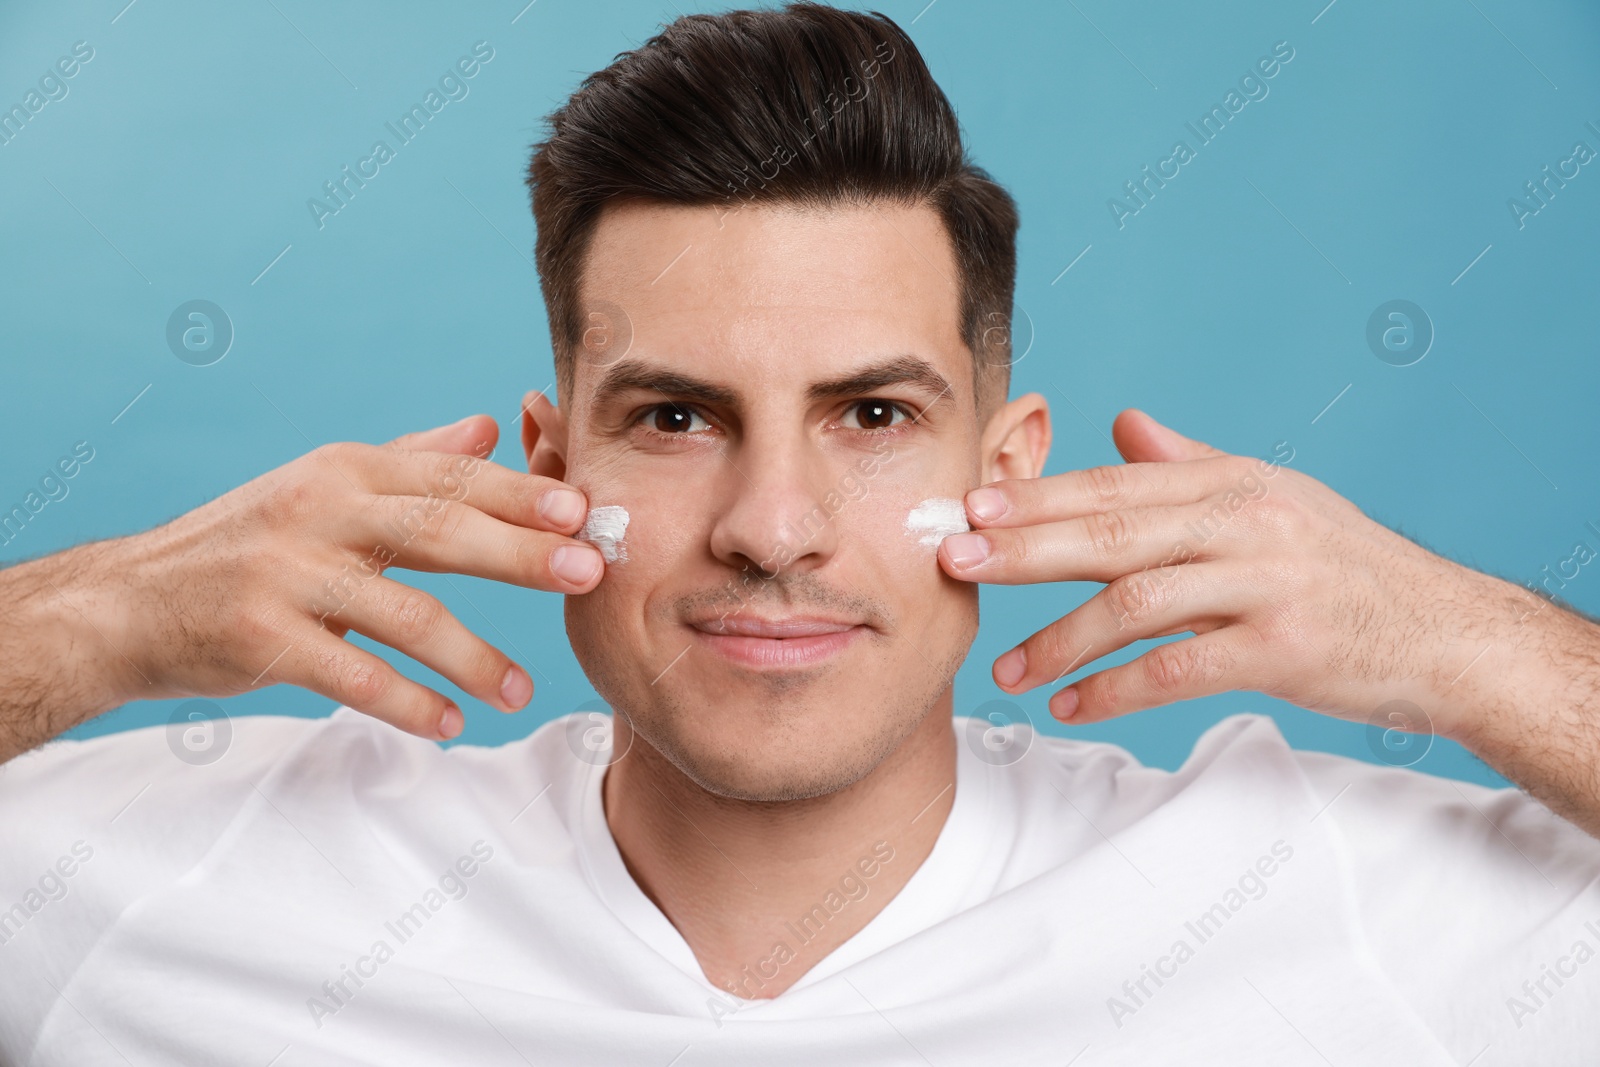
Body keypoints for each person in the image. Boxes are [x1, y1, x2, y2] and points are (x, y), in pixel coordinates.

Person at [2, 4, 1598, 1063]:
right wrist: (92, 619)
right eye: (675, 419)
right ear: (551, 462)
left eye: (875, 415)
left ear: (1008, 467)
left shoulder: (1315, 909)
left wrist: (1462, 644)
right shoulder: (175, 887)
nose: (772, 528)